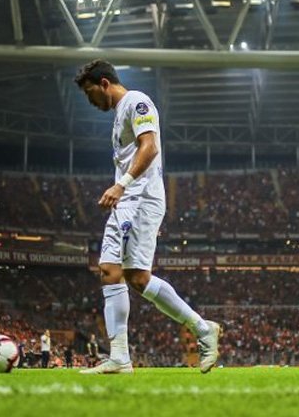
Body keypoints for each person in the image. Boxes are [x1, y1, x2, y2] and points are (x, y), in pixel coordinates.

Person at [74, 60, 221, 374]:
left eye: (90, 93)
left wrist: (121, 185)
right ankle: (123, 356)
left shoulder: (137, 102)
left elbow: (150, 147)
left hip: (139, 199)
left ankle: (198, 330)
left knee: (126, 274)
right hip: (129, 202)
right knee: (120, 274)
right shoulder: (120, 114)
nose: (90, 101)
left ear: (104, 83)